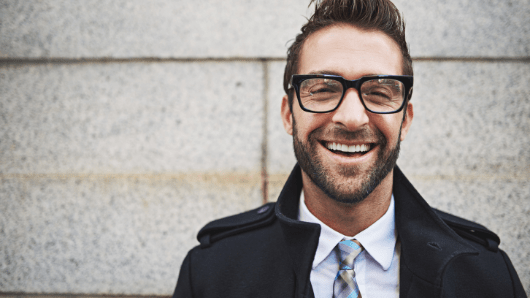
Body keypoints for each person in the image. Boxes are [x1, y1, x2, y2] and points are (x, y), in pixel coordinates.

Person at [172, 0, 526, 297]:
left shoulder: (486, 276)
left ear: (405, 120)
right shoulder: (211, 275)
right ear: (287, 115)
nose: (353, 118)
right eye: (323, 89)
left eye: (379, 91)